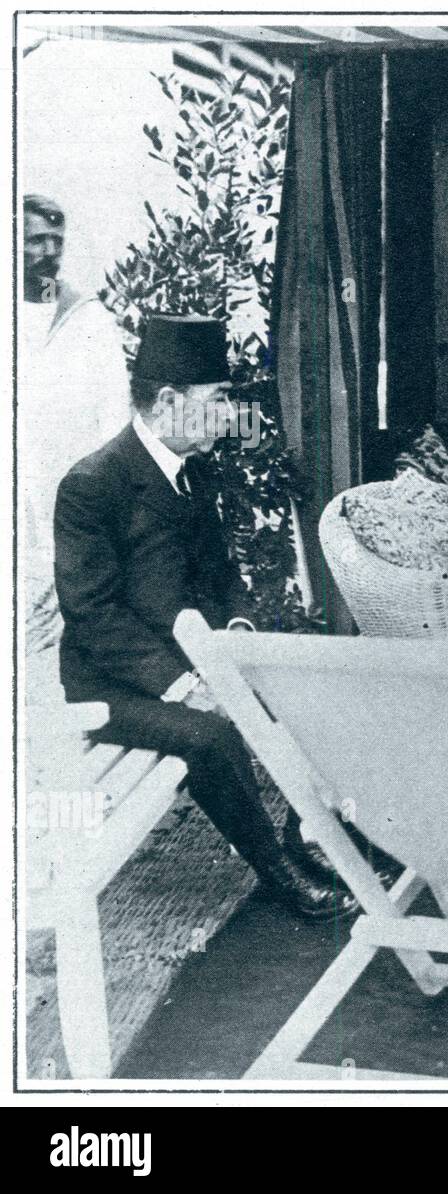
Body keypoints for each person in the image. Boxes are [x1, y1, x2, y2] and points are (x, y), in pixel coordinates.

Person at [53, 314, 356, 921]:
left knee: (305, 692)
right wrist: (184, 686)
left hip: (196, 663)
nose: (228, 417)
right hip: (115, 687)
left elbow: (222, 579)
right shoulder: (92, 485)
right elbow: (94, 616)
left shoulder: (191, 473)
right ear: (169, 402)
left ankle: (305, 843)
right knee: (211, 736)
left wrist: (237, 637)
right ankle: (276, 872)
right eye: (218, 401)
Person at [21, 194, 132, 648]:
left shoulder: (91, 320)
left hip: (69, 499)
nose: (48, 252)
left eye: (56, 241)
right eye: (34, 240)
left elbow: (114, 417)